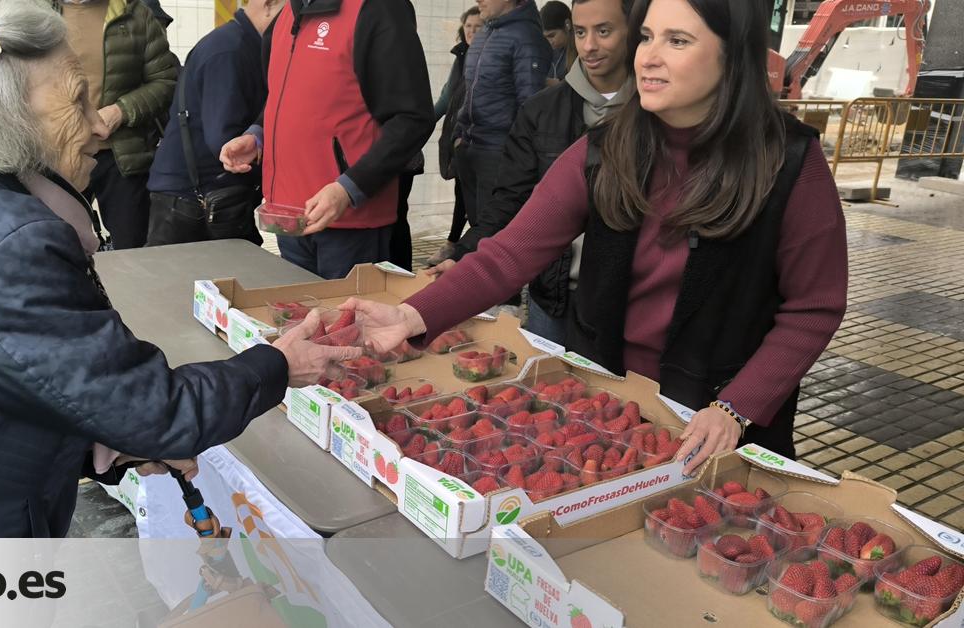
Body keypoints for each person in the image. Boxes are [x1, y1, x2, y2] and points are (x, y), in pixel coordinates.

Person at [0, 0, 358, 538]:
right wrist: (278, 363)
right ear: (1, 115)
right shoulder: (6, 242)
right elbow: (158, 409)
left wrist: (105, 445)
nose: (99, 124)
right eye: (76, 100)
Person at [340, 0, 847, 472]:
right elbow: (510, 255)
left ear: (732, 54)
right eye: (646, 37)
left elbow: (814, 307)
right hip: (610, 404)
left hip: (718, 422)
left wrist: (737, 407)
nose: (648, 57)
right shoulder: (606, 149)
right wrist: (411, 314)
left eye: (677, 41)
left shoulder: (788, 163)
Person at [431, 0, 635, 345]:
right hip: (551, 292)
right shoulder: (542, 112)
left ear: (633, 31)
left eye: (604, 31)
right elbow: (510, 201)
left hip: (625, 303)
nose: (589, 46)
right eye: (581, 32)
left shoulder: (655, 113)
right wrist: (464, 255)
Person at [219, 0, 435, 280]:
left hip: (350, 224)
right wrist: (257, 135)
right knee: (299, 317)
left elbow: (412, 118)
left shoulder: (377, 9)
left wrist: (349, 188)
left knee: (347, 320)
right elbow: (283, 96)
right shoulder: (288, 14)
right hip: (288, 216)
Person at [145, 0, 282, 246]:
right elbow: (224, 141)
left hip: (201, 196)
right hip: (190, 201)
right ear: (269, 4)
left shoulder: (239, 43)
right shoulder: (230, 50)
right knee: (177, 281)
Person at [57, 0, 179, 250]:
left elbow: (166, 80)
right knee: (57, 244)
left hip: (121, 155)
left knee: (133, 248)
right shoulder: (33, 12)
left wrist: (120, 111)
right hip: (55, 155)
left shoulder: (133, 12)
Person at [453, 0, 550, 238]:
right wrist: (459, 136)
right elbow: (468, 91)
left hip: (498, 156)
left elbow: (531, 107)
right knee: (478, 231)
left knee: (494, 236)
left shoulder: (527, 36)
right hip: (471, 149)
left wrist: (513, 156)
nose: (478, 0)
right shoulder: (487, 31)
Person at [426, 6, 483, 267]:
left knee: (470, 196)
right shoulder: (462, 56)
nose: (471, 31)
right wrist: (421, 124)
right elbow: (447, 96)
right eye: (468, 26)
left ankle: (459, 246)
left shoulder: (487, 56)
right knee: (462, 191)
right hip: (459, 136)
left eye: (477, 26)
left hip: (477, 138)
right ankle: (455, 245)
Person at [541, 0, 575, 84]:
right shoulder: (551, 51)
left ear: (567, 24)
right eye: (545, 37)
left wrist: (556, 84)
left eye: (552, 36)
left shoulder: (581, 50)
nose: (549, 42)